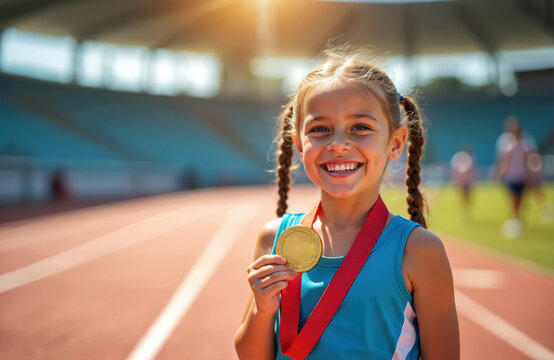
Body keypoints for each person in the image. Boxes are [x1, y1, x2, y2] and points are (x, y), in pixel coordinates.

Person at [234, 47, 459, 359]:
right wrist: (262, 309)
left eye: (360, 127)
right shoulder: (274, 239)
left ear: (395, 143)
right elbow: (250, 355)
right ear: (299, 146)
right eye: (320, 130)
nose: (338, 144)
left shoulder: (419, 251)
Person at [450, 148, 477, 216]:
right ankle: (464, 210)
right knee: (463, 196)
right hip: (462, 181)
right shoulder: (460, 160)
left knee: (468, 197)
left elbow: (473, 171)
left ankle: (468, 210)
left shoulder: (470, 160)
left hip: (468, 182)